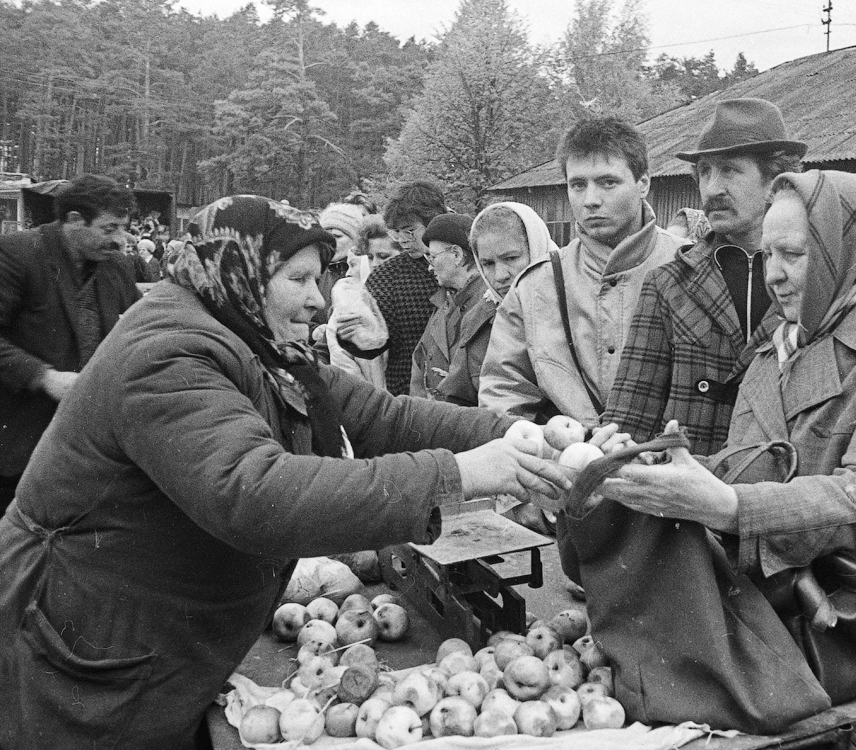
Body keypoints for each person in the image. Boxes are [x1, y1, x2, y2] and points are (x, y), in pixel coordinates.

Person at [0, 195, 574, 749]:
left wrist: (505, 435)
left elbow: (379, 413)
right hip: (89, 639)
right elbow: (256, 495)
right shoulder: (170, 352)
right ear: (241, 271)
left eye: (318, 278)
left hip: (146, 636)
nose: (319, 301)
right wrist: (459, 473)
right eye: (298, 279)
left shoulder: (250, 337)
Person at [604, 170, 856, 749]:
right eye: (767, 253)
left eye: (793, 254)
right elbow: (757, 458)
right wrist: (662, 472)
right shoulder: (782, 341)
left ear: (843, 249)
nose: (772, 273)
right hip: (796, 625)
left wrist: (728, 506)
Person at [606, 98, 805, 455]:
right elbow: (626, 422)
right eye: (705, 172)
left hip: (777, 492)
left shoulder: (814, 280)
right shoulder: (668, 284)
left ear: (775, 181)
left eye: (729, 170)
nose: (712, 189)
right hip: (684, 494)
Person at [479, 116, 682, 425]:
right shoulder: (535, 286)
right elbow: (503, 395)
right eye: (577, 185)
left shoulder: (689, 265)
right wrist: (545, 451)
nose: (591, 200)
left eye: (608, 182)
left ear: (643, 183)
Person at [0, 174, 141, 514]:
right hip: (18, 436)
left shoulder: (117, 267)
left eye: (124, 229)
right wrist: (43, 377)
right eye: (110, 229)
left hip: (87, 444)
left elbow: (142, 328)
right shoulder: (17, 253)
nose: (121, 241)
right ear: (74, 220)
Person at [435, 202, 557, 407]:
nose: (500, 276)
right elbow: (458, 400)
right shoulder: (478, 320)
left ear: (537, 248)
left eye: (511, 258)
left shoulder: (573, 305)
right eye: (488, 264)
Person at [363, 180, 443, 395]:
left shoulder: (465, 266)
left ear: (434, 223)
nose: (403, 240)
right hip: (405, 395)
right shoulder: (384, 278)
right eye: (396, 232)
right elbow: (372, 351)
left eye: (410, 231)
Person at [411, 213, 488, 400]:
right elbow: (420, 367)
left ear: (457, 255)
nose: (429, 268)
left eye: (432, 258)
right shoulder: (444, 304)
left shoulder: (489, 305)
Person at [315, 202, 366, 326]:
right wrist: (314, 331)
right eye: (325, 236)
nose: (330, 242)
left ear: (355, 239)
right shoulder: (314, 270)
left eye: (338, 236)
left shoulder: (367, 270)